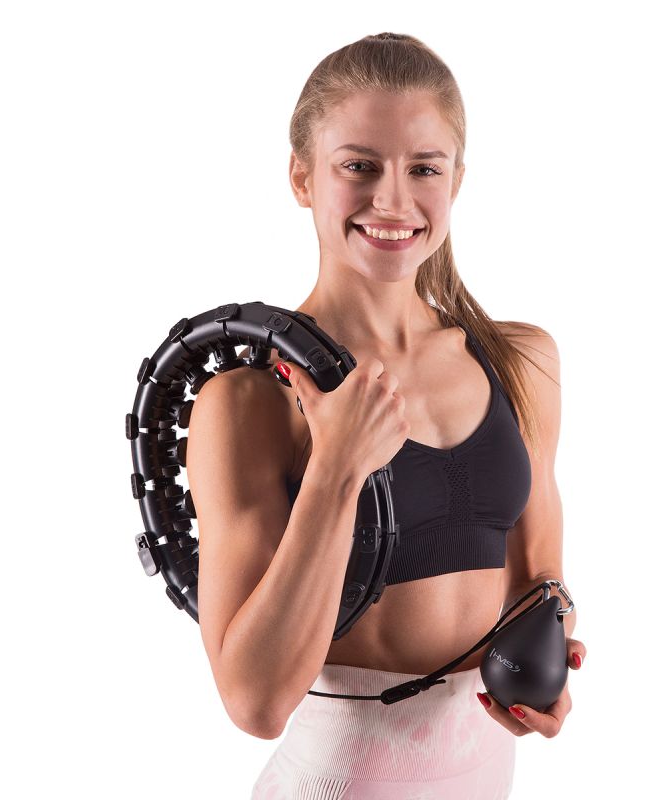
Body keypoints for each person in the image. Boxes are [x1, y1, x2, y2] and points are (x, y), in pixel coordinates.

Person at [187, 32, 586, 800]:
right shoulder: (249, 403)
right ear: (302, 178)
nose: (394, 201)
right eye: (359, 166)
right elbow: (255, 702)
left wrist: (546, 661)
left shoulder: (521, 363)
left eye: (424, 168)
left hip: (483, 779)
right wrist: (337, 468)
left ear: (457, 181)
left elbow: (540, 579)